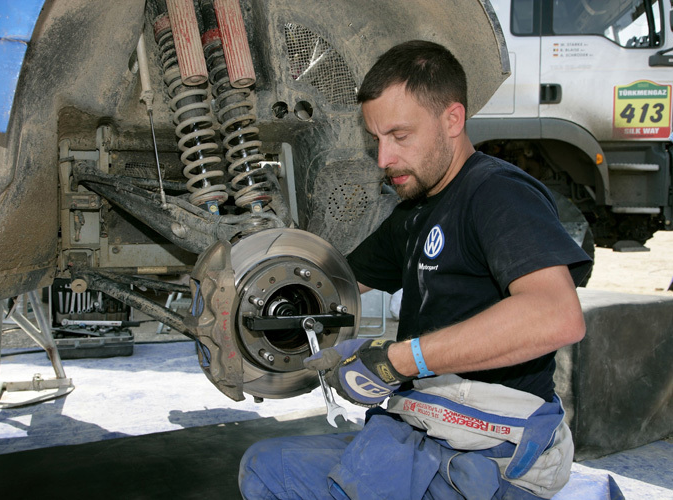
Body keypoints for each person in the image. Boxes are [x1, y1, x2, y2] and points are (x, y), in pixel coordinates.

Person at [239, 40, 592, 499]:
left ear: (452, 120)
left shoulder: (497, 193)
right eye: (377, 140)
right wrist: (259, 309)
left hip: (492, 453)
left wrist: (397, 360)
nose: (383, 159)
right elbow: (333, 283)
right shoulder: (415, 213)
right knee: (268, 469)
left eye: (400, 136)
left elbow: (556, 315)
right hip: (426, 429)